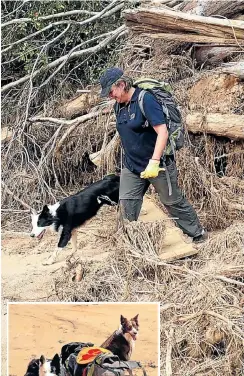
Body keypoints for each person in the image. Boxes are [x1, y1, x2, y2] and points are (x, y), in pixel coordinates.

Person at [99, 67, 207, 243]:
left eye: (111, 92)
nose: (111, 96)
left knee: (172, 202)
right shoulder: (118, 107)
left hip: (157, 164)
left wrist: (154, 161)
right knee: (127, 204)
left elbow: (162, 132)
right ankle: (129, 242)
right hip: (132, 166)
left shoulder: (145, 100)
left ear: (122, 84)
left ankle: (198, 233)